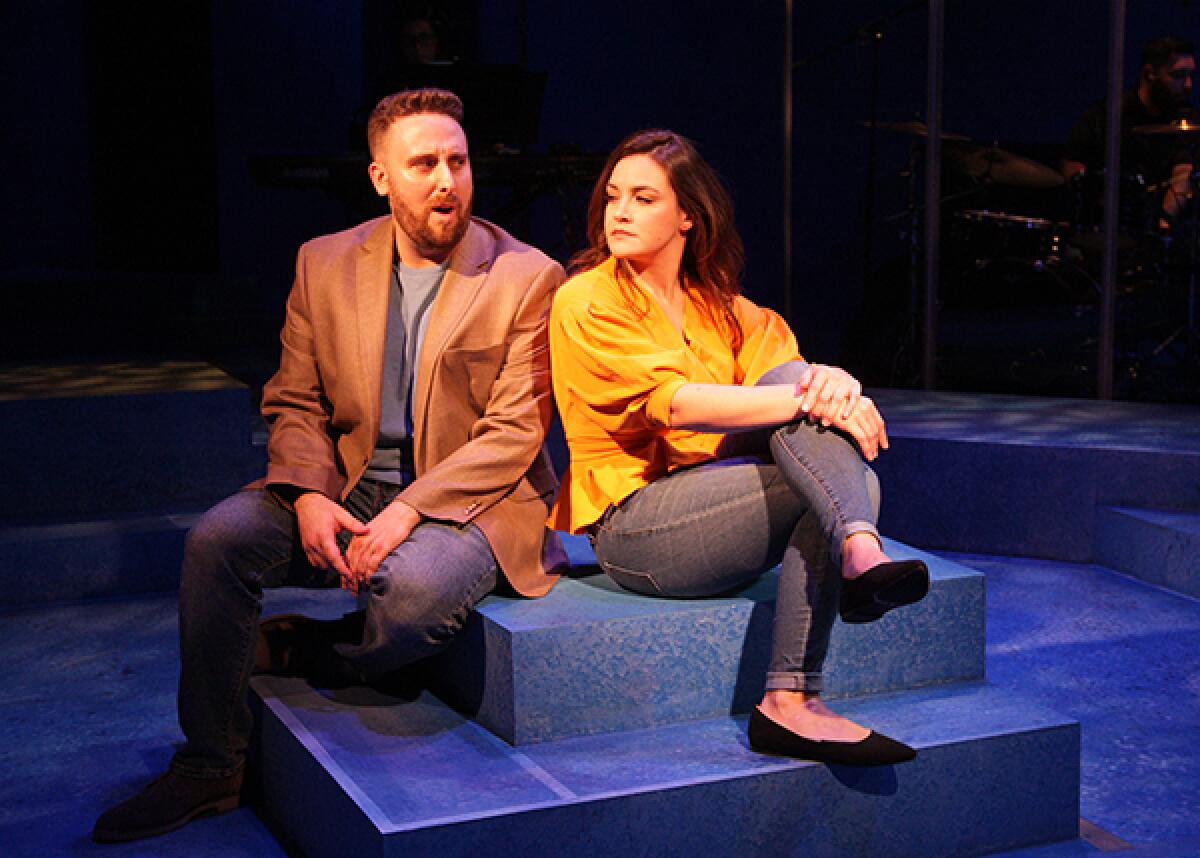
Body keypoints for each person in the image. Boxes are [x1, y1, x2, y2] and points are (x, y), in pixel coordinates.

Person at [92, 88, 566, 842]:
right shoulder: (323, 263)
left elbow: (512, 435)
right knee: (218, 541)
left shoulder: (527, 276)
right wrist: (309, 497)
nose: (447, 179)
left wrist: (411, 509)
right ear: (381, 176)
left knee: (412, 593)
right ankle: (210, 768)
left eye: (458, 160)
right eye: (424, 164)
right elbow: (294, 400)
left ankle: (316, 647)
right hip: (350, 484)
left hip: (470, 500)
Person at [548, 129, 928, 767]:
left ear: (687, 216)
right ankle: (850, 566)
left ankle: (847, 570)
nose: (619, 212)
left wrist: (834, 386)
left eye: (643, 198)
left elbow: (788, 374)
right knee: (847, 477)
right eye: (613, 196)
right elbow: (675, 404)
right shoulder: (587, 300)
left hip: (722, 514)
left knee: (792, 384)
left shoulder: (718, 307)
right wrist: (816, 398)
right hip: (635, 528)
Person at [1062, 35, 1196, 230]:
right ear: (1150, 73)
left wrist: (1163, 220)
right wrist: (1092, 199)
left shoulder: (1186, 118)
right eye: (1178, 75)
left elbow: (1183, 172)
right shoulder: (1108, 114)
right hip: (1105, 226)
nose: (1188, 84)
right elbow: (1072, 161)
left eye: (1191, 75)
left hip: (1160, 228)